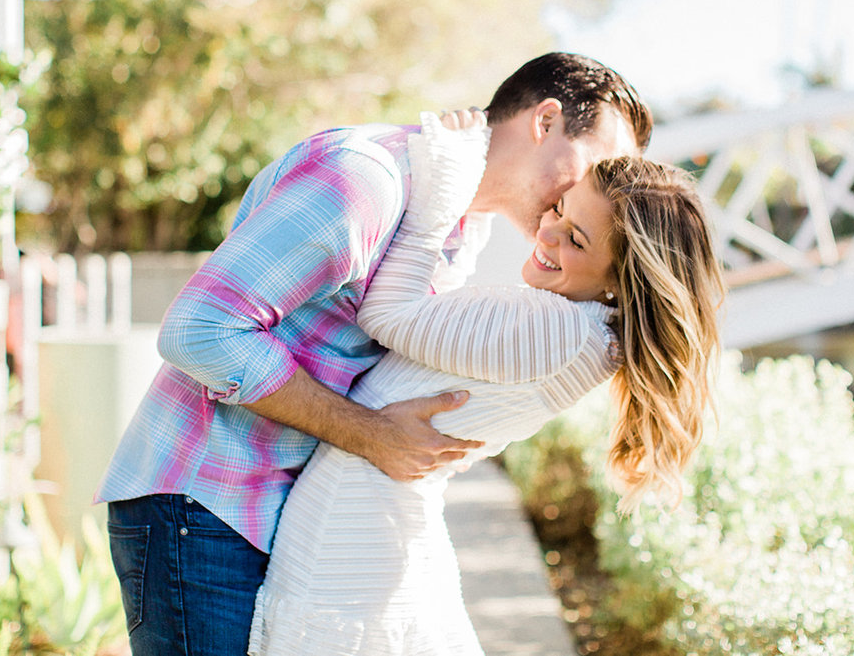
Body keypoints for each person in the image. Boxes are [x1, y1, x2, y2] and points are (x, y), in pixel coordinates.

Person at [95, 53, 653, 655]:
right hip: (205, 505)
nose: (597, 194)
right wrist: (372, 434)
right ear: (545, 122)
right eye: (598, 165)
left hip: (270, 512)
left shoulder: (463, 222)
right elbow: (201, 330)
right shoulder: (365, 179)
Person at [247, 111, 725, 655]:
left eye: (576, 239)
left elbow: (388, 317)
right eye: (560, 209)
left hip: (352, 534)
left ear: (622, 277)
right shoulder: (584, 332)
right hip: (377, 522)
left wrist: (439, 191)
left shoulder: (556, 330)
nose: (547, 231)